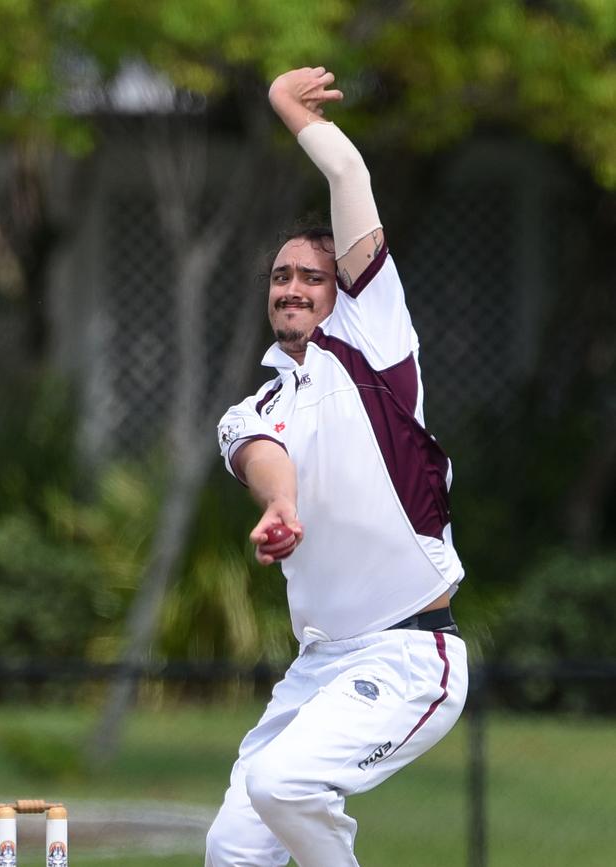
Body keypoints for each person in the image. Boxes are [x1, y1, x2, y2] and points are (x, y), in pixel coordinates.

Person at [206, 66, 468, 867]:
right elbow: (265, 456)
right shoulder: (253, 406)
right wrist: (279, 506)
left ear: (343, 293)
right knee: (232, 848)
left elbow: (348, 174)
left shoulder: (374, 343)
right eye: (280, 276)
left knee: (284, 787)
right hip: (320, 664)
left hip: (408, 653)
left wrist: (287, 110)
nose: (291, 288)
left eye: (310, 277)